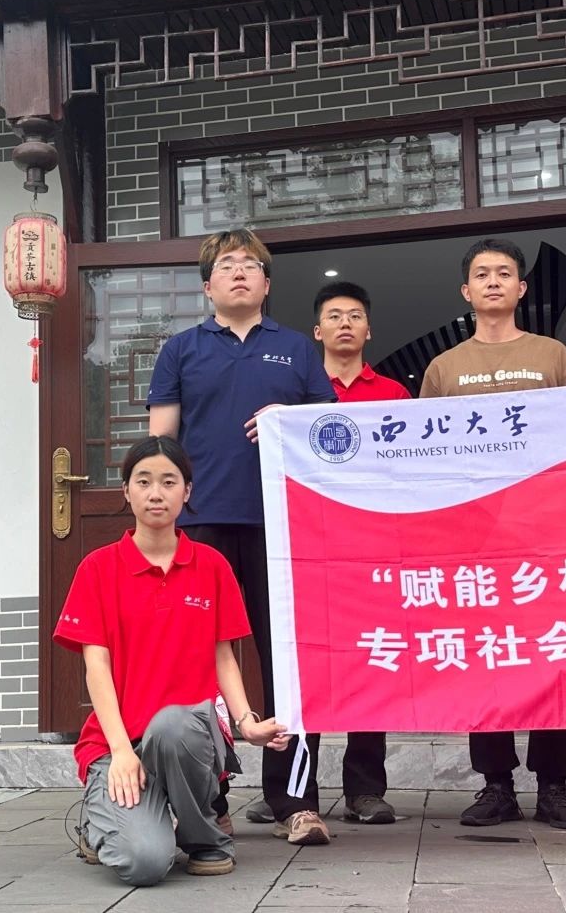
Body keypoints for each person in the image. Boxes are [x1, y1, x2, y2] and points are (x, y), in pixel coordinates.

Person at [147, 228, 337, 846]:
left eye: (250, 264)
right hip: (201, 525)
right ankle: (210, 799)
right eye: (226, 265)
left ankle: (296, 802)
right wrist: (165, 509)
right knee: (195, 661)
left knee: (287, 662)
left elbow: (327, 429)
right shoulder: (181, 350)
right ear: (208, 286)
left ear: (266, 282)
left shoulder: (296, 349)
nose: (239, 272)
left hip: (281, 526)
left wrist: (290, 420)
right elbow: (161, 444)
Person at [54, 436, 289, 886]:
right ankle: (102, 820)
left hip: (187, 739)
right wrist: (120, 751)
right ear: (126, 491)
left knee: (173, 726)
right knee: (144, 863)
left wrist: (247, 722)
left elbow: (224, 657)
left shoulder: (212, 565)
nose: (156, 493)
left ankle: (205, 839)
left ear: (187, 491)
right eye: (143, 481)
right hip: (120, 741)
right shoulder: (98, 568)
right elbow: (96, 668)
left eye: (168, 481)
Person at [421, 237, 566, 831]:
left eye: (504, 273)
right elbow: (426, 454)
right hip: (474, 540)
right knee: (486, 659)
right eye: (481, 274)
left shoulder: (553, 355)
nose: (493, 281)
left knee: (555, 656)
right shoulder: (444, 368)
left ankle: (554, 785)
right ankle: (495, 785)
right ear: (466, 291)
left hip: (547, 534)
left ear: (521, 288)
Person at [310, 280, 408, 824]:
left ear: (368, 330)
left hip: (374, 549)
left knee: (373, 659)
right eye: (334, 315)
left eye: (354, 316)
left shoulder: (393, 395)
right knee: (305, 664)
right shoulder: (297, 393)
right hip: (309, 548)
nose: (345, 323)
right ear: (316, 331)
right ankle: (293, 791)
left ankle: (365, 789)